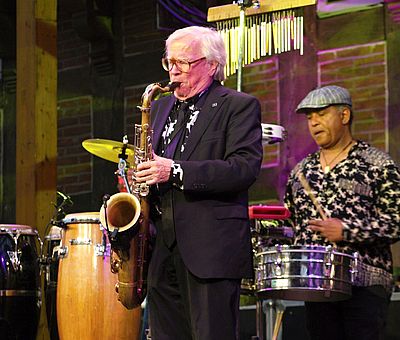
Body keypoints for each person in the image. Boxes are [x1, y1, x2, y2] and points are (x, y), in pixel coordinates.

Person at [134, 26, 263, 340]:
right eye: (169, 63)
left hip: (210, 250)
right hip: (162, 250)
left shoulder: (238, 105)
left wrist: (176, 172)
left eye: (184, 63)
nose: (174, 71)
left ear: (212, 65)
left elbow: (243, 168)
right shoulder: (161, 106)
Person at [284, 85, 400, 340]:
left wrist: (347, 231)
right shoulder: (301, 172)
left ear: (344, 116)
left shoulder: (376, 164)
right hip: (318, 284)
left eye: (321, 114)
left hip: (365, 284)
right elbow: (291, 224)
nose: (314, 123)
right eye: (309, 118)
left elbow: (396, 222)